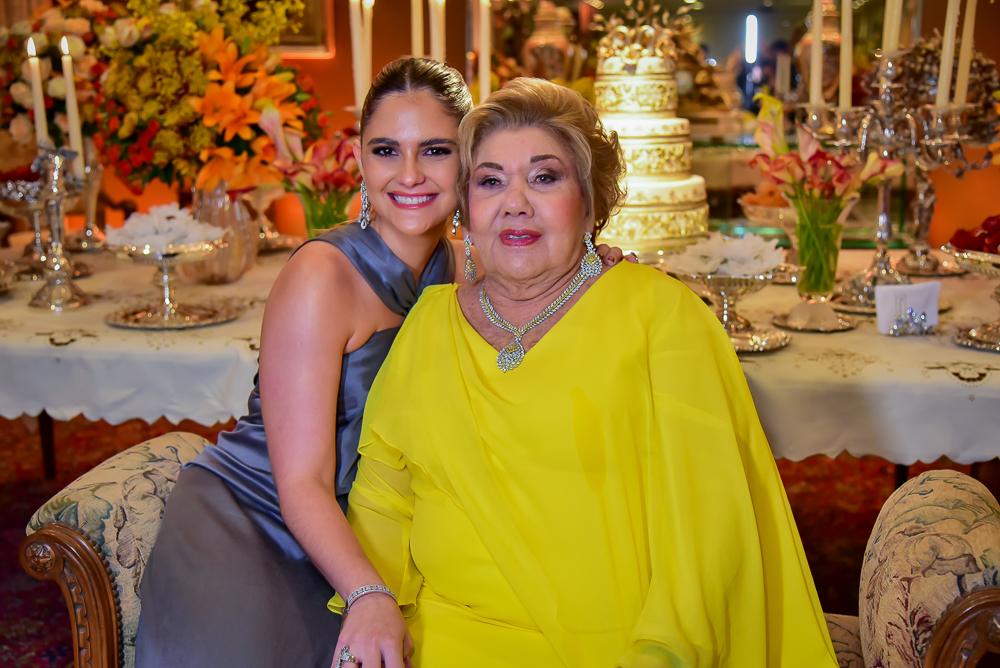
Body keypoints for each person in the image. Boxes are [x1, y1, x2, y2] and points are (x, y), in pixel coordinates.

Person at [135, 58, 627, 668]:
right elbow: (301, 483)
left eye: (436, 150)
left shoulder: (466, 267)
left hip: (383, 522)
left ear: (468, 162)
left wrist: (595, 263)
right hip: (263, 517)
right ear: (360, 160)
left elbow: (546, 283)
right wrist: (368, 593)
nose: (410, 174)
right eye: (387, 150)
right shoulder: (322, 277)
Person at [330, 78, 839, 667]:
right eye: (490, 181)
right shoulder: (429, 323)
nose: (515, 203)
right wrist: (371, 607)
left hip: (618, 650)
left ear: (591, 202)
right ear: (464, 208)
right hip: (434, 640)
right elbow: (384, 501)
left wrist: (660, 656)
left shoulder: (661, 316)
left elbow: (708, 533)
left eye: (545, 178)